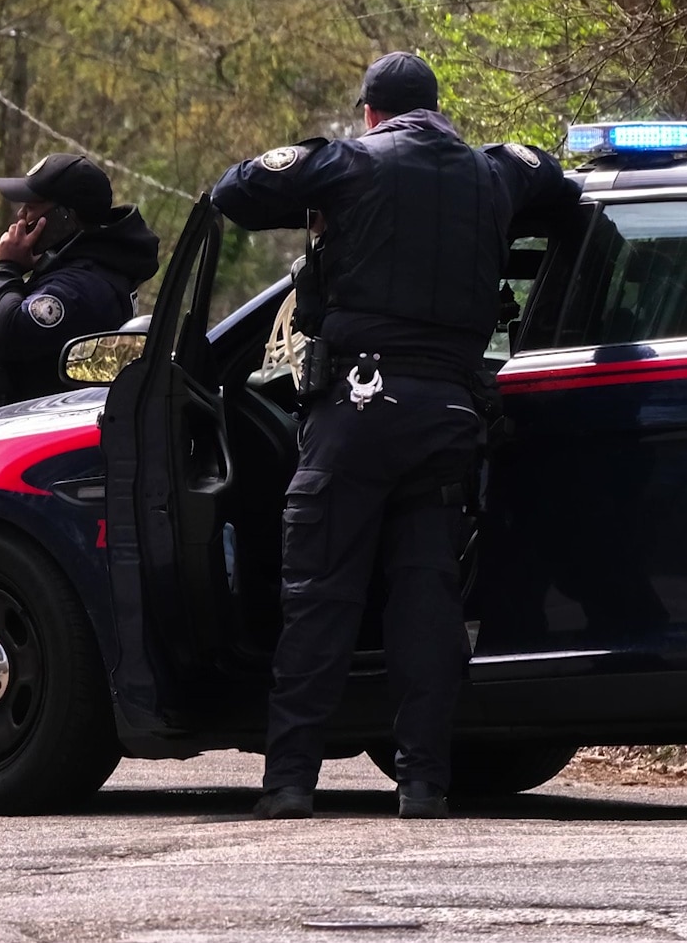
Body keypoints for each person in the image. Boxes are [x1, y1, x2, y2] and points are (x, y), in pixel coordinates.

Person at [209, 52, 581, 820]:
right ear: (438, 108)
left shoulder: (349, 164)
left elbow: (235, 193)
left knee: (319, 596)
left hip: (357, 411)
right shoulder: (491, 174)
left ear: (372, 113)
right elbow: (559, 184)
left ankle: (289, 783)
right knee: (426, 603)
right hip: (448, 416)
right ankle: (422, 783)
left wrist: (316, 173)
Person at [0, 153, 160, 408]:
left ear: (64, 218)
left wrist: (6, 266)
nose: (21, 217)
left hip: (46, 434)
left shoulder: (82, 286)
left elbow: (10, 332)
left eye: (31, 207)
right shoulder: (83, 267)